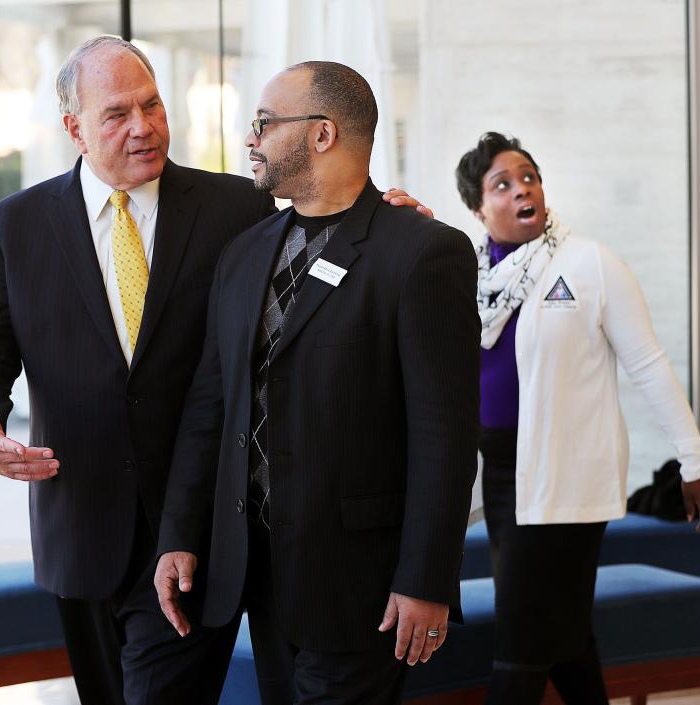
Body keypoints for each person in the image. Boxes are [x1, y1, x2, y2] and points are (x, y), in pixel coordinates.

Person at [0, 36, 428, 705]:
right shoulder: (14, 227)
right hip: (80, 527)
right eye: (116, 114)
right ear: (74, 128)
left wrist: (394, 228)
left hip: (202, 528)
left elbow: (329, 241)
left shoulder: (239, 208)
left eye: (152, 104)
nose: (143, 126)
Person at [153, 61, 479, 705]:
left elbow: (444, 434)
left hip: (362, 584)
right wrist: (180, 535)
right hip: (261, 576)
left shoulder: (422, 251)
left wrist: (427, 578)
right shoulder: (244, 253)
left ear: (322, 134)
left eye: (264, 123)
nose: (251, 138)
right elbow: (210, 408)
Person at [453, 132, 700, 705]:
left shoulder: (589, 263)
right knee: (563, 636)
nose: (524, 189)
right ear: (478, 208)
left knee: (521, 643)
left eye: (530, 176)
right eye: (503, 184)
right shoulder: (467, 277)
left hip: (566, 479)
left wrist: (693, 458)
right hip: (501, 477)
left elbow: (648, 364)